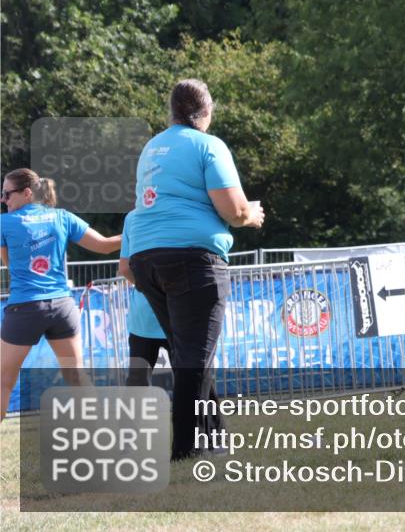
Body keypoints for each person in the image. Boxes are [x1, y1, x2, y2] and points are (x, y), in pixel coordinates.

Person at [128, 78, 264, 460]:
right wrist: (251, 215)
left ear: (171, 112)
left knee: (191, 354)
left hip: (146, 259)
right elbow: (233, 210)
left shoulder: (151, 147)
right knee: (195, 358)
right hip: (193, 260)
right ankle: (185, 450)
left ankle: (214, 438)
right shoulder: (208, 145)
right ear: (207, 112)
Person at [0, 169, 121, 420]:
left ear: (27, 193)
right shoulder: (62, 217)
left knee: (4, 381)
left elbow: (10, 264)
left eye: (6, 194)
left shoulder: (5, 223)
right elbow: (105, 245)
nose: (3, 200)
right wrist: (139, 230)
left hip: (25, 307)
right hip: (62, 307)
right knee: (76, 376)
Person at [118, 210, 170, 387]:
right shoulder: (184, 210)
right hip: (180, 311)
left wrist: (147, 288)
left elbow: (125, 268)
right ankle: (201, 415)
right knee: (194, 380)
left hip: (143, 315)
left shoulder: (132, 217)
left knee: (137, 383)